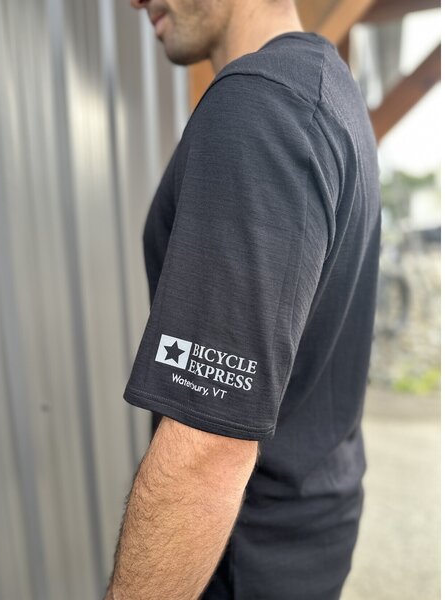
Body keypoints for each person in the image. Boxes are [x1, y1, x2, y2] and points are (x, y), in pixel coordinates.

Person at [105, 0, 382, 598]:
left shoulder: (263, 104)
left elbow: (208, 451)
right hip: (305, 535)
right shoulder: (324, 87)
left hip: (246, 558)